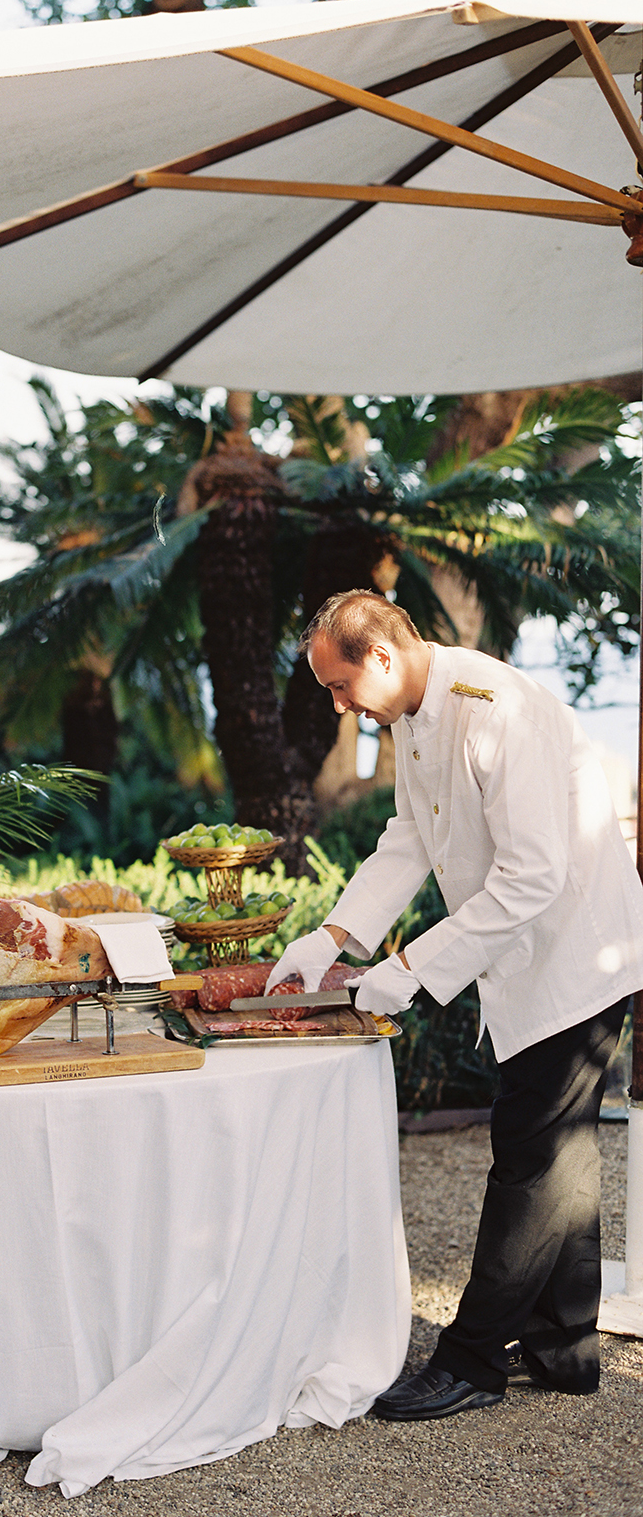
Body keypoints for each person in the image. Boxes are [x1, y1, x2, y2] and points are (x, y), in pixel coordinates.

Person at [267, 588, 643, 1421]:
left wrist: (408, 967)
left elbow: (534, 875)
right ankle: (564, 1350)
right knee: (559, 1151)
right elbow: (407, 839)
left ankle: (471, 1360)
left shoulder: (493, 706)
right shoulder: (411, 714)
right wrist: (332, 938)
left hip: (575, 954)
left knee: (529, 1154)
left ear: (382, 657)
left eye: (336, 686)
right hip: (525, 955)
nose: (334, 705)